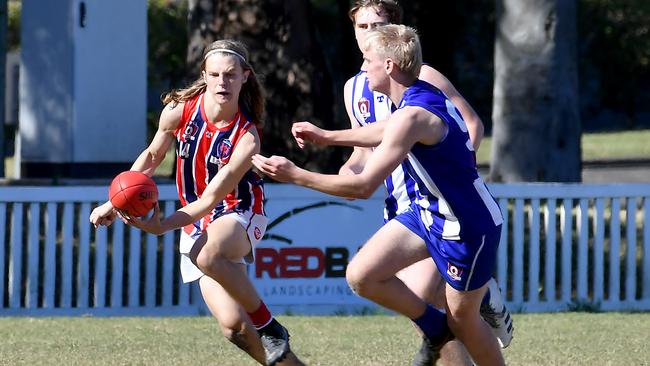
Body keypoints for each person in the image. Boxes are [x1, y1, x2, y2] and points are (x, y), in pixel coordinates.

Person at [253, 24, 505, 365]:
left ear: (389, 66)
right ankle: (435, 329)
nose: (363, 66)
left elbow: (363, 186)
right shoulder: (415, 99)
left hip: (466, 227)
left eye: (367, 59)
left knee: (463, 318)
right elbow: (385, 128)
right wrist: (326, 137)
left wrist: (294, 175)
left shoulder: (413, 115)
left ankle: (463, 313)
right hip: (427, 214)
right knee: (362, 275)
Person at [89, 40, 300, 366]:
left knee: (208, 253)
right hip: (197, 219)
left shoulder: (247, 138)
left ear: (245, 76)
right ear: (203, 74)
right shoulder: (178, 110)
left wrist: (161, 227)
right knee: (234, 328)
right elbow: (151, 156)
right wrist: (113, 204)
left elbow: (212, 199)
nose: (222, 82)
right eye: (214, 74)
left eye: (230, 75)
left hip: (239, 210)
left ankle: (270, 325)